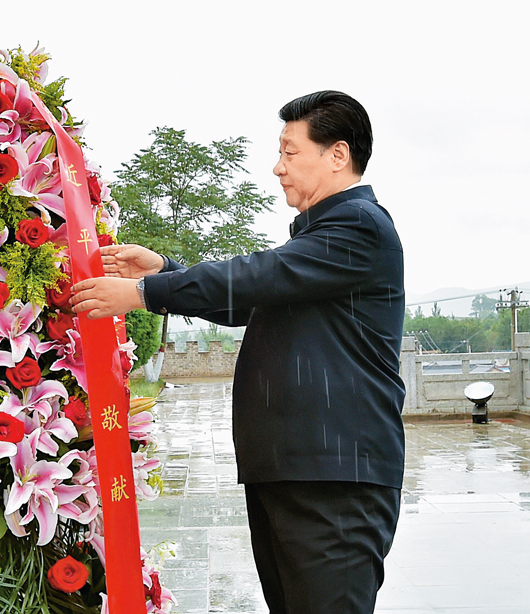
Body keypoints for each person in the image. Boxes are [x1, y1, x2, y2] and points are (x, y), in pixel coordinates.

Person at [70, 90, 405, 613]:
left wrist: (143, 293)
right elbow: (252, 296)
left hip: (334, 479)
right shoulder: (319, 241)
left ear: (337, 155)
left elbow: (259, 275)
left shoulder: (360, 225)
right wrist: (167, 272)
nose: (278, 167)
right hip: (295, 473)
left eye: (290, 152)